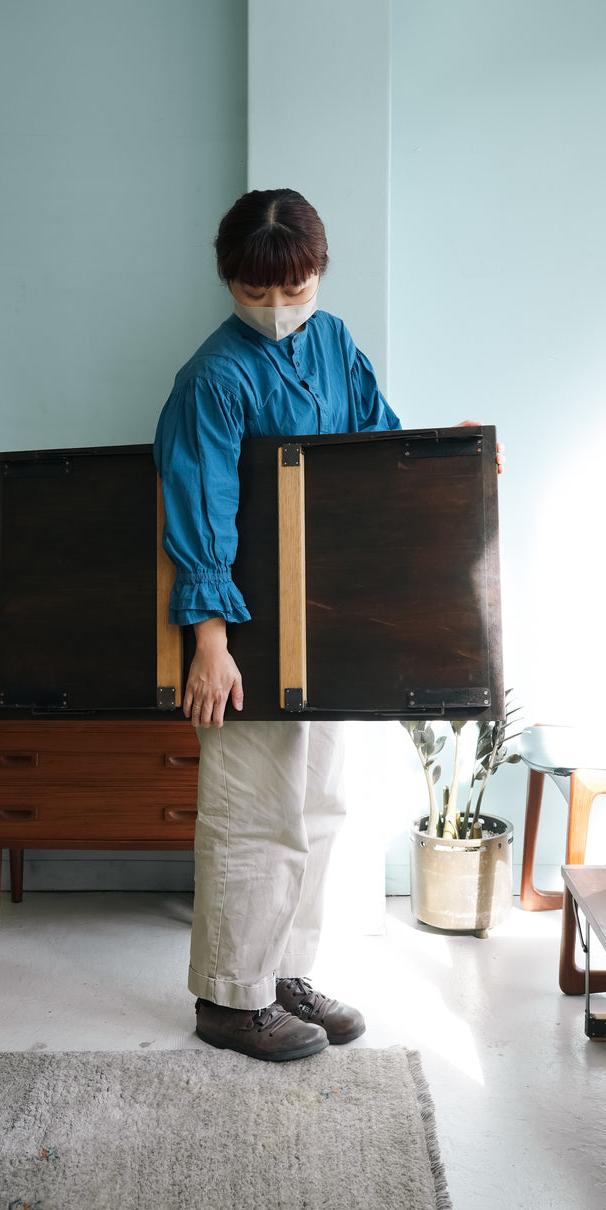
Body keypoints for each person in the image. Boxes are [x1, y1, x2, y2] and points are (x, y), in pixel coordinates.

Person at [154, 188, 499, 1062]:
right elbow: (201, 512)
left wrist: (449, 455)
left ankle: (284, 974)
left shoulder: (336, 342)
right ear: (230, 282)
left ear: (319, 274)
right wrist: (209, 644)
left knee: (319, 807)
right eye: (257, 293)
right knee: (251, 811)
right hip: (244, 632)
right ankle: (230, 997)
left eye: (294, 290)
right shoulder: (213, 378)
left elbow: (375, 454)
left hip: (324, 622)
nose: (277, 311)